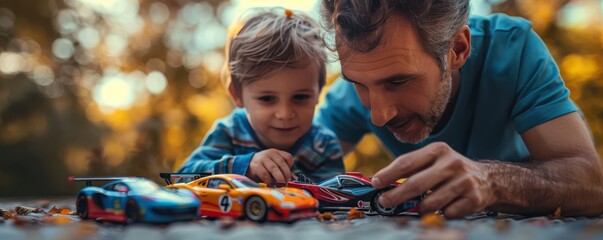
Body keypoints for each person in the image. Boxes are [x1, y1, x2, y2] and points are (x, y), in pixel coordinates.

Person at [316, 0, 603, 218]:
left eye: (398, 81)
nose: (378, 116)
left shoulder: (513, 51)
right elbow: (295, 171)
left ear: (458, 48)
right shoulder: (350, 93)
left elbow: (591, 184)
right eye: (358, 84)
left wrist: (492, 180)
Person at [177, 8, 345, 184]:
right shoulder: (230, 133)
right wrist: (244, 167)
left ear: (318, 92)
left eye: (300, 97)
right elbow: (182, 178)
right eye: (267, 99)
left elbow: (334, 198)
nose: (285, 114)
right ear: (237, 95)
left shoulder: (323, 145)